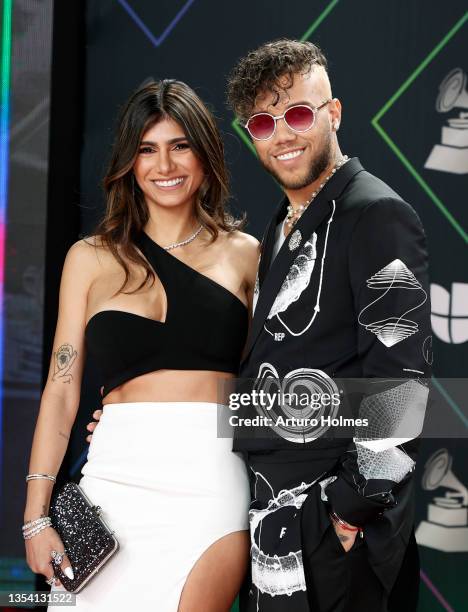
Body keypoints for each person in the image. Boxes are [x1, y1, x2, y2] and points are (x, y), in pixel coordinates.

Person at [88, 41, 431, 611]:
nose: (284, 134)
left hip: (338, 538)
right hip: (275, 533)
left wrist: (346, 510)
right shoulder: (280, 229)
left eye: (298, 113)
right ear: (252, 136)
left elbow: (402, 389)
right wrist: (142, 415)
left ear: (334, 114)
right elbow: (258, 377)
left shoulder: (376, 214)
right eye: (264, 123)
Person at [23, 79, 259, 611]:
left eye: (180, 145)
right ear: (129, 161)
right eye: (147, 149)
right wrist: (36, 516)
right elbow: (61, 394)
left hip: (210, 481)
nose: (165, 165)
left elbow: (269, 381)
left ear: (205, 153)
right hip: (109, 483)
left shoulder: (247, 255)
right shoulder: (88, 257)